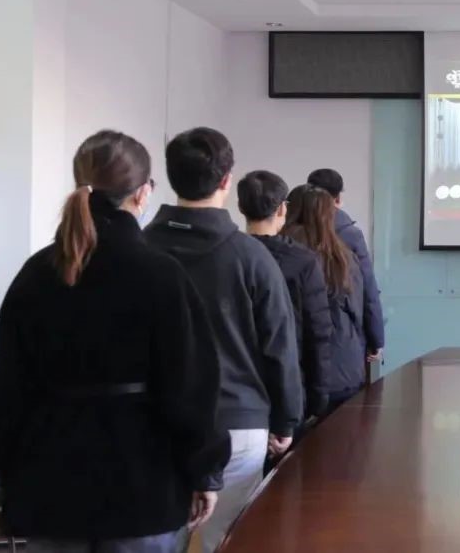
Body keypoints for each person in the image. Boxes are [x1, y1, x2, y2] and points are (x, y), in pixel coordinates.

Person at [0, 130, 229, 553]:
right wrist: (204, 471)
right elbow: (190, 389)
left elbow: (7, 388)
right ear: (143, 193)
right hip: (143, 488)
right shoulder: (162, 275)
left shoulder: (35, 275)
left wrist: (9, 474)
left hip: (49, 487)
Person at [145, 128, 302, 553]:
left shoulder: (140, 250)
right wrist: (286, 422)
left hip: (153, 423)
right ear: (227, 180)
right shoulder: (252, 257)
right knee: (227, 542)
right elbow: (279, 348)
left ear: (171, 176)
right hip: (239, 422)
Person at [238, 171, 334, 423]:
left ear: (240, 207)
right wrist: (319, 395)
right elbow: (318, 331)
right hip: (291, 383)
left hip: (238, 390)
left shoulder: (229, 255)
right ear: (282, 209)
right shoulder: (303, 260)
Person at [284, 186, 368, 411]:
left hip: (292, 369)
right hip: (341, 366)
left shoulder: (278, 255)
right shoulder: (342, 258)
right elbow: (357, 310)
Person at [306, 169, 385, 366]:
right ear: (338, 199)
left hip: (303, 340)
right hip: (344, 338)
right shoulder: (351, 235)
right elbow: (368, 289)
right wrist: (376, 340)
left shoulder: (292, 230)